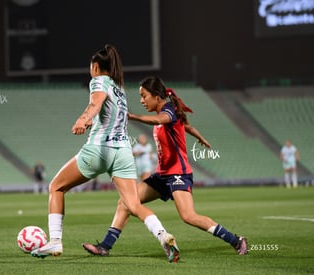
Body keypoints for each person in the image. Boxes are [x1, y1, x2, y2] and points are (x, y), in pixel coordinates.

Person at [31, 45, 178, 261]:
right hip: (124, 153)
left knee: (56, 187)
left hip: (100, 150)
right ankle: (163, 235)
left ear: (96, 66)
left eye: (91, 67)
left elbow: (95, 103)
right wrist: (92, 121)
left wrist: (83, 119)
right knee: (134, 205)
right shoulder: (120, 90)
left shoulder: (98, 81)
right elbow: (108, 115)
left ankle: (54, 242)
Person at [82, 76, 248, 259]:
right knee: (126, 202)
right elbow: (186, 127)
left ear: (157, 97)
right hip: (162, 176)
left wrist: (132, 116)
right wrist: (199, 137)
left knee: (188, 216)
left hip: (179, 174)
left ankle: (237, 240)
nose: (141, 100)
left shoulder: (168, 111)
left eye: (144, 96)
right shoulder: (167, 115)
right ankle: (105, 246)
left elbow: (160, 120)